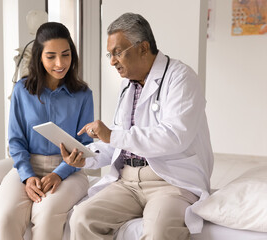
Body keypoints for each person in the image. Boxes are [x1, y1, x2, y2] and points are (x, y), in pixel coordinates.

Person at [61, 12, 214, 240]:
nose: (112, 61)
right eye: (109, 54)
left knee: (158, 231)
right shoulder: (128, 86)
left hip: (171, 182)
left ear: (143, 48)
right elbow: (118, 143)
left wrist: (112, 135)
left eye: (117, 53)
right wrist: (87, 156)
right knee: (82, 217)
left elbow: (174, 137)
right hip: (128, 181)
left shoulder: (181, 78)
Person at [0, 22, 94, 240]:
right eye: (51, 56)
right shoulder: (21, 90)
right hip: (28, 165)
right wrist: (27, 177)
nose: (60, 63)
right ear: (39, 57)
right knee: (6, 218)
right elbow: (16, 140)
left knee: (47, 215)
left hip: (69, 172)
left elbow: (85, 145)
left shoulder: (83, 94)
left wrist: (59, 173)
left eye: (65, 55)